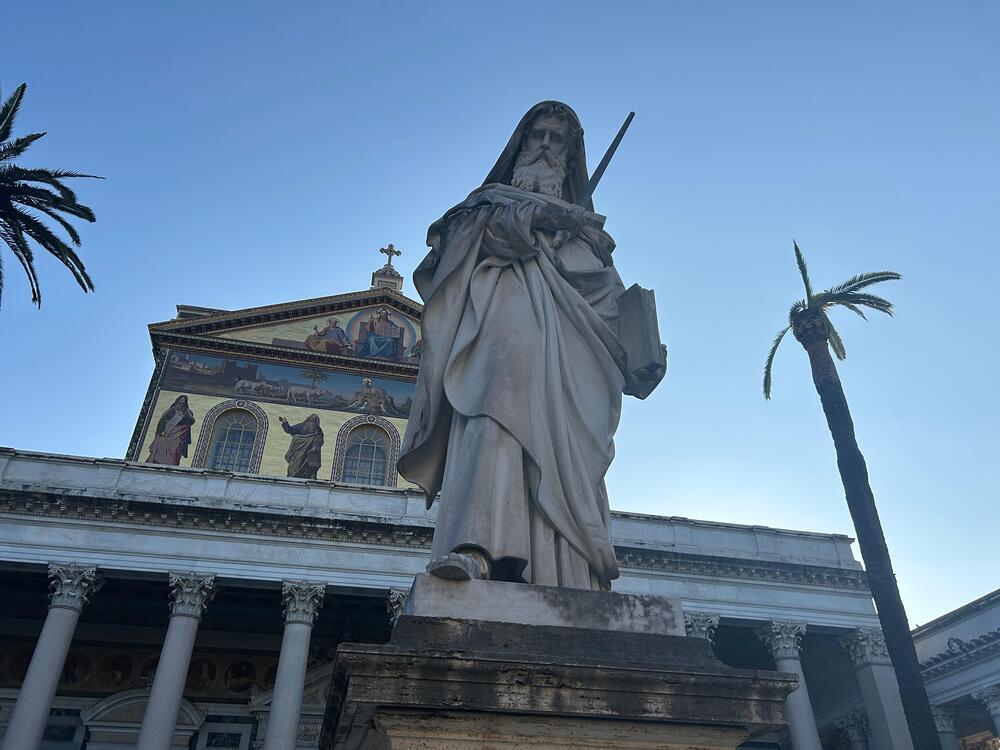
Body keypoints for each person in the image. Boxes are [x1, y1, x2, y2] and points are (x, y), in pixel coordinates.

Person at [398, 101, 666, 591]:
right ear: (520, 144)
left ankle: (567, 573)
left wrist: (641, 357)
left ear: (568, 156)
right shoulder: (489, 204)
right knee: (492, 408)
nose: (545, 145)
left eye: (555, 139)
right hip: (501, 324)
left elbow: (606, 305)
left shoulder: (587, 237)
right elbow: (453, 244)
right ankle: (476, 545)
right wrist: (537, 215)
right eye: (537, 135)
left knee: (570, 455)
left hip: (572, 361)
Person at [145, 395, 196, 466]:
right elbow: (163, 421)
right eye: (181, 400)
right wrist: (162, 431)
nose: (182, 402)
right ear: (177, 401)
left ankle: (172, 464)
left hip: (179, 434)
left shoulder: (188, 412)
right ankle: (158, 462)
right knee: (162, 443)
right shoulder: (172, 410)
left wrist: (184, 417)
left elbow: (191, 421)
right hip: (167, 433)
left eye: (184, 400)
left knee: (175, 448)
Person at [279, 414, 324, 479]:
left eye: (314, 421)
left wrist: (316, 447)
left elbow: (319, 440)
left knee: (308, 470)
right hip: (298, 453)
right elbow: (290, 430)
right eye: (311, 420)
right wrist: (285, 423)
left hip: (309, 455)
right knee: (294, 467)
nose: (312, 423)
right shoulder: (301, 426)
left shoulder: (318, 430)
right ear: (307, 420)